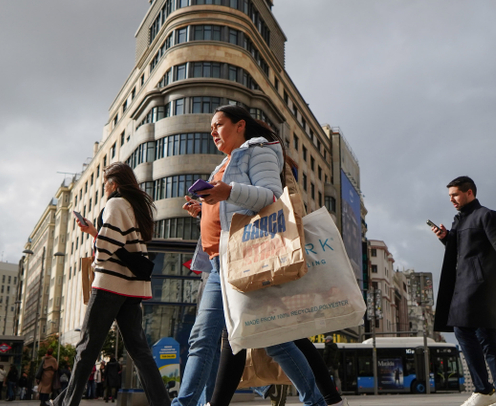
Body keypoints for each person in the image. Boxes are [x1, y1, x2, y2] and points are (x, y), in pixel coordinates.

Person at [172, 105, 325, 406]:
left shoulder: (258, 152)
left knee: (273, 341)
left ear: (240, 125)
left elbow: (269, 196)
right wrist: (203, 209)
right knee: (203, 338)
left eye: (218, 125)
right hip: (217, 264)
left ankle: (316, 401)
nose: (213, 132)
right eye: (210, 129)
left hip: (245, 259)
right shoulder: (222, 165)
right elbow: (229, 209)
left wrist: (227, 192)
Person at [50, 162, 169, 406]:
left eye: (105, 183)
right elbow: (121, 243)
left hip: (110, 285)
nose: (104, 188)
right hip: (131, 287)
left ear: (113, 184)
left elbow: (107, 247)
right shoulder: (134, 207)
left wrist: (97, 248)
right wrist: (96, 232)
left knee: (86, 348)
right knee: (139, 350)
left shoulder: (114, 204)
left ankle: (65, 403)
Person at [431, 176, 496, 406]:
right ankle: (483, 390)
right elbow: (464, 252)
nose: (451, 199)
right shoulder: (458, 220)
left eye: (455, 195)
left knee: (486, 339)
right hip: (462, 287)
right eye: (449, 196)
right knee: (462, 332)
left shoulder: (487, 216)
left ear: (469, 192)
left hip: (483, 287)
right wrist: (446, 238)